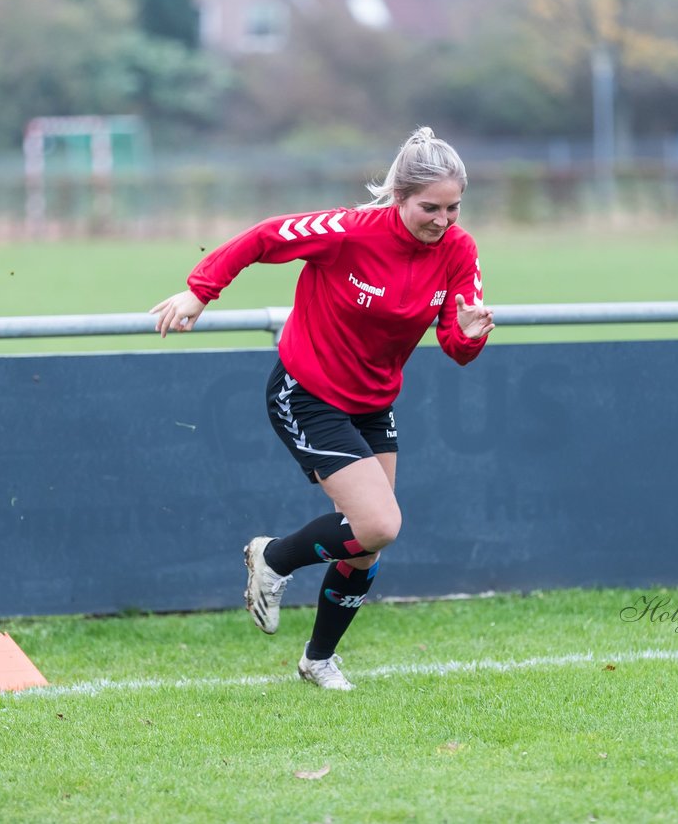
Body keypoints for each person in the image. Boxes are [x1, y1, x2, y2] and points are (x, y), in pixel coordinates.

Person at [150, 127, 495, 691]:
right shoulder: (349, 232)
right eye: (429, 207)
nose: (442, 219)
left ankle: (317, 659)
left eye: (453, 207)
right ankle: (276, 559)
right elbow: (263, 237)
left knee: (366, 544)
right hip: (307, 391)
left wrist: (472, 332)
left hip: (372, 402)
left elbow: (457, 347)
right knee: (380, 524)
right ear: (398, 198)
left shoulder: (458, 249)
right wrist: (199, 290)